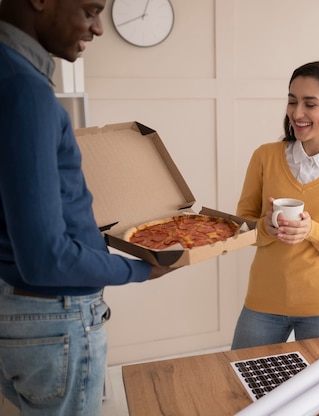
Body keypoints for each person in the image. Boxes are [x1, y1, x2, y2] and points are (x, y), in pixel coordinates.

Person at [0, 1, 177, 414]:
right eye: (90, 10)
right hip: (52, 315)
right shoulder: (26, 90)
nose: (99, 28)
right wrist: (144, 268)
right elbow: (46, 261)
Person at [231, 61, 319, 349]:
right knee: (241, 384)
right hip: (263, 302)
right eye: (292, 101)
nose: (297, 113)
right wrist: (267, 228)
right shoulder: (265, 157)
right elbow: (240, 227)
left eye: (310, 104)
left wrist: (312, 231)